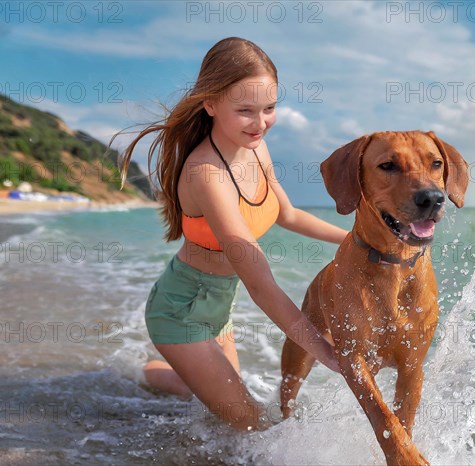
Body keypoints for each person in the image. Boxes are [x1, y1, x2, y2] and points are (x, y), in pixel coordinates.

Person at [117, 37, 348, 431]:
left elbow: (287, 215)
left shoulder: (256, 147)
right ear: (210, 104)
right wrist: (329, 356)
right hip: (180, 310)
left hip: (218, 308)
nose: (260, 123)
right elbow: (261, 285)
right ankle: (145, 370)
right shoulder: (206, 174)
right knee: (251, 425)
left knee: (211, 405)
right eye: (245, 111)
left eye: (270, 108)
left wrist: (357, 242)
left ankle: (141, 373)